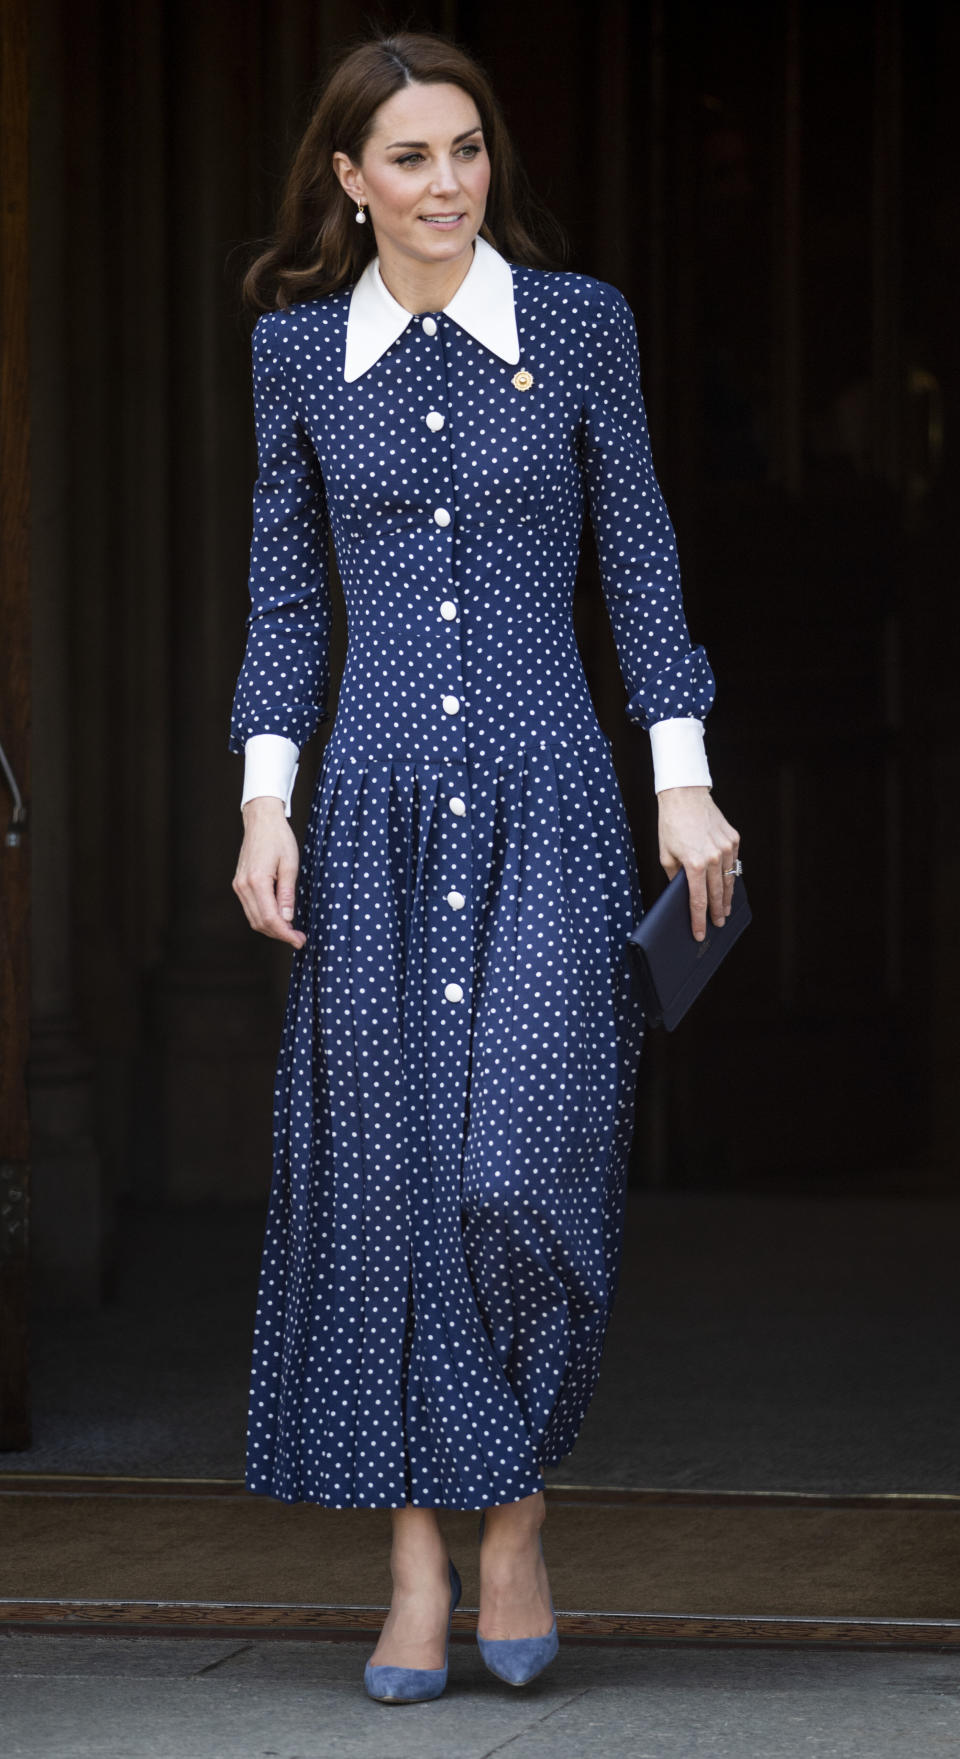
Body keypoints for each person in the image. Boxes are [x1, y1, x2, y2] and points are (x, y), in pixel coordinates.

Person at [229, 29, 740, 1704]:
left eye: (467, 152)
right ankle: (419, 1568)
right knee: (388, 1192)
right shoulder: (299, 357)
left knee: (520, 1167)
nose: (449, 186)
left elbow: (643, 556)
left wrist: (686, 782)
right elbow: (288, 598)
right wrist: (263, 803)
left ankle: (513, 1502)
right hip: (370, 810)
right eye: (413, 159)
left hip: (554, 803)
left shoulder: (580, 329)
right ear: (348, 181)